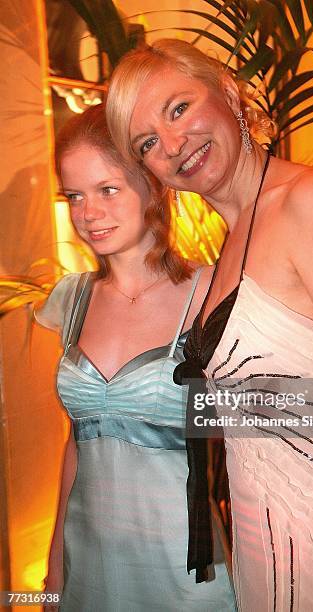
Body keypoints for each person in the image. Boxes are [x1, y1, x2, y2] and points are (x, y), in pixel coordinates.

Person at [105, 39, 313, 612]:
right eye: (148, 143)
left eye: (178, 109)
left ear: (229, 92)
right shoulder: (234, 241)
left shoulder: (311, 204)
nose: (174, 145)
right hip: (261, 571)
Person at [35, 104, 236, 612]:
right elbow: (77, 443)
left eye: (108, 189)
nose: (89, 213)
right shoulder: (72, 298)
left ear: (153, 185)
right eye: (75, 196)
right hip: (90, 566)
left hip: (184, 569)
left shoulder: (211, 293)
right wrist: (55, 564)